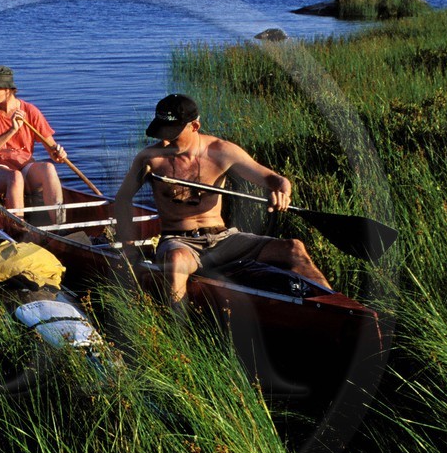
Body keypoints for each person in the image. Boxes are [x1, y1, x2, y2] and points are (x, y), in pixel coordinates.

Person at [112, 93, 329, 304]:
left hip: (223, 239)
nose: (166, 141)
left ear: (194, 126)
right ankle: (179, 331)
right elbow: (123, 199)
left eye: (173, 133)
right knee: (176, 261)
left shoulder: (221, 151)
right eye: (161, 133)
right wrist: (129, 247)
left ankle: (333, 306)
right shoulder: (150, 159)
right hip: (179, 242)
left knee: (293, 248)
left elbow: (275, 180)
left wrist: (283, 192)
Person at [0, 65, 70, 217]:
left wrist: (58, 154)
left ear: (7, 89)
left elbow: (52, 150)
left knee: (48, 168)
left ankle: (60, 226)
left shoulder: (30, 111)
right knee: (15, 177)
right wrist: (12, 130)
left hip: (23, 166)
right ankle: (20, 229)